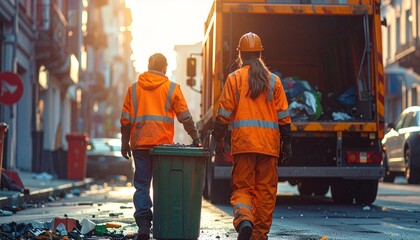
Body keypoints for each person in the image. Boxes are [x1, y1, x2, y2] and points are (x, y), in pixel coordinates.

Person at [212, 32, 292, 240]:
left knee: (242, 189)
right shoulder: (274, 81)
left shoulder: (234, 79)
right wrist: (287, 144)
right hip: (269, 146)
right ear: (259, 54)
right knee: (266, 193)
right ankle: (258, 235)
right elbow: (284, 117)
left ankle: (244, 220)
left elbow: (223, 115)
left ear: (240, 55)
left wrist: (218, 139)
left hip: (244, 145)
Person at [120, 53, 202, 240]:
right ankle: (163, 225)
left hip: (140, 145)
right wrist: (196, 138)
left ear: (148, 66)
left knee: (141, 185)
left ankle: (143, 224)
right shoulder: (171, 88)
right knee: (163, 186)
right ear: (165, 68)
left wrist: (125, 143)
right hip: (163, 149)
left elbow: (125, 120)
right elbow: (185, 117)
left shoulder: (133, 89)